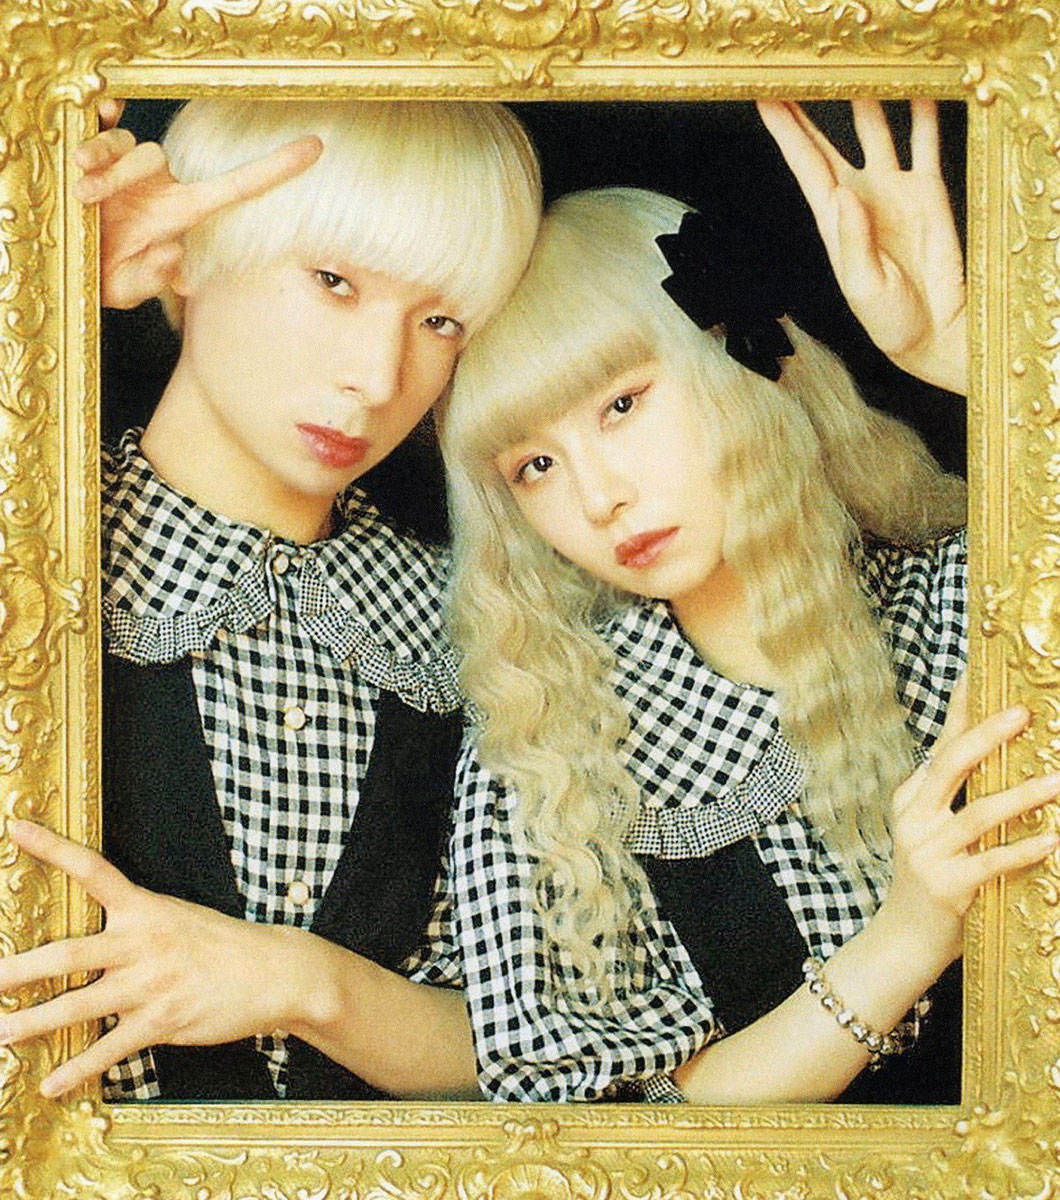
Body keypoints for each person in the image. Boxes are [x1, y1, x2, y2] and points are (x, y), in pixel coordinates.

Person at [437, 100, 1059, 1103]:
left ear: (734, 362)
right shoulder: (542, 752)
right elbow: (595, 1141)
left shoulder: (972, 594)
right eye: (535, 465)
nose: (598, 497)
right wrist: (907, 934)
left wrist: (962, 356)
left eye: (622, 405)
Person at [0, 97, 541, 1102]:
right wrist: (33, 290)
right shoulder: (32, 538)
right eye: (334, 281)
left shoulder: (472, 625)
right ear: (190, 250)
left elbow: (545, 1054)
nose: (377, 376)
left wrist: (302, 983)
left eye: (439, 321)